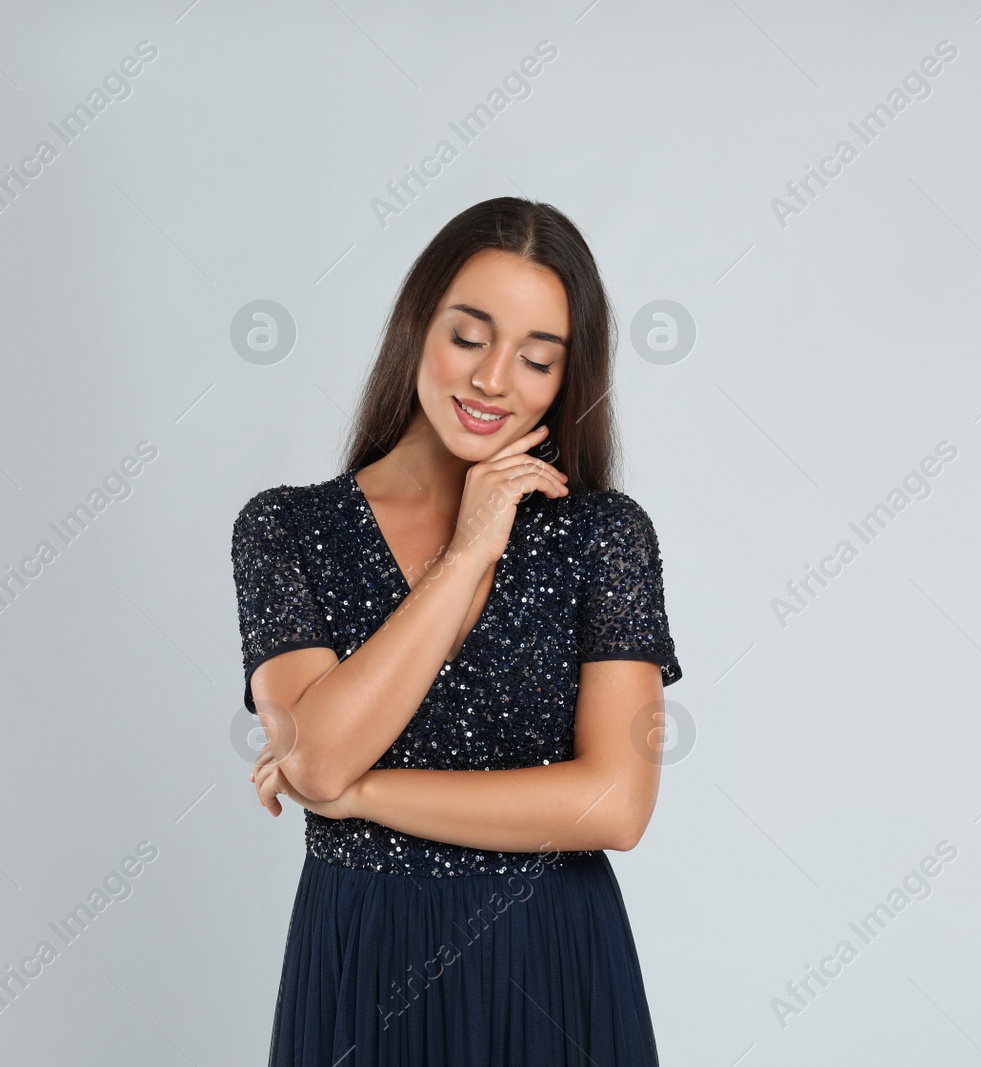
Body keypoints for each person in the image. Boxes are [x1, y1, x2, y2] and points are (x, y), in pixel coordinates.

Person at [231, 196, 684, 1066]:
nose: (492, 380)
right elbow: (319, 755)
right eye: (469, 337)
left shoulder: (604, 536)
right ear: (416, 327)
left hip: (552, 960)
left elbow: (615, 805)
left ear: (566, 378)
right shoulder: (285, 530)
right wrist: (470, 551)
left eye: (537, 357)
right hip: (362, 959)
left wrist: (365, 797)